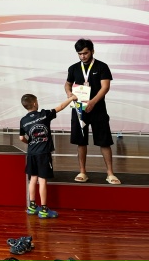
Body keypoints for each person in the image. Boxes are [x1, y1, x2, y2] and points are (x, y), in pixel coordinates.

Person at [64, 38, 120, 184]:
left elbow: (105, 87)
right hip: (79, 109)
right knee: (81, 141)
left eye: (85, 53)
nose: (82, 56)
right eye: (80, 54)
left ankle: (110, 173)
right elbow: (67, 84)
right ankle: (82, 172)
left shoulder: (102, 66)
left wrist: (93, 102)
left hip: (98, 109)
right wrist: (69, 93)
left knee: (104, 141)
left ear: (92, 51)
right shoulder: (73, 68)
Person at [19, 93, 77, 218]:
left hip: (31, 153)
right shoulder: (44, 114)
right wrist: (71, 98)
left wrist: (30, 142)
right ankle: (44, 210)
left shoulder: (23, 120)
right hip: (43, 154)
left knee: (33, 179)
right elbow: (60, 107)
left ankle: (32, 206)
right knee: (42, 180)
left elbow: (21, 138)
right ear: (35, 103)